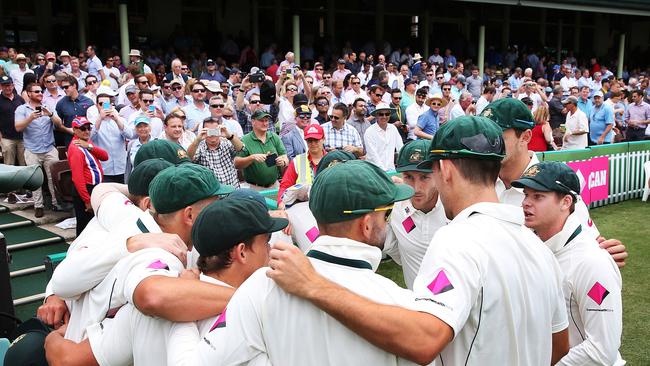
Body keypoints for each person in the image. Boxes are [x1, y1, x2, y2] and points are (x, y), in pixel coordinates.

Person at [266, 116, 569, 365]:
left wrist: (313, 285)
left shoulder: (456, 240)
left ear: (445, 170)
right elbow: (558, 347)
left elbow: (423, 340)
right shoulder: (537, 247)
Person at [170, 160, 418, 365]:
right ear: (365, 225)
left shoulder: (260, 287)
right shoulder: (402, 306)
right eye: (385, 214)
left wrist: (183, 311)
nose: (387, 222)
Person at [480, 98, 628, 267]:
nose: (489, 145)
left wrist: (604, 253)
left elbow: (588, 246)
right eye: (485, 136)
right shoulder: (479, 180)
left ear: (526, 136)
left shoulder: (555, 184)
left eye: (498, 137)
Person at [513, 161, 624, 365]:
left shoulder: (591, 262)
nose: (526, 203)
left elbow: (602, 350)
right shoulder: (531, 245)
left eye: (538, 196)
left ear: (565, 202)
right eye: (526, 195)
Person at [383, 139, 448, 289]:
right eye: (408, 177)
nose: (416, 188)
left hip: (457, 306)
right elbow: (394, 248)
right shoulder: (395, 206)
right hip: (415, 304)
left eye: (424, 177)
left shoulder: (455, 208)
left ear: (438, 173)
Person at [14, 82, 65, 217]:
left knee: (53, 177)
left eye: (41, 91)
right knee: (35, 179)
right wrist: (30, 118)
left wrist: (50, 114)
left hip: (49, 148)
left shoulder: (48, 106)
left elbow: (59, 124)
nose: (40, 93)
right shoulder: (22, 109)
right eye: (36, 91)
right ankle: (38, 206)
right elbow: (18, 127)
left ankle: (56, 203)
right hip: (32, 149)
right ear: (29, 94)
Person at [67, 117, 108, 235]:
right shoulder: (76, 148)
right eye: (82, 129)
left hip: (94, 188)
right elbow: (77, 178)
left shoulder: (85, 142)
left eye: (88, 128)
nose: (87, 131)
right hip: (85, 190)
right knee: (84, 226)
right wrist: (87, 200)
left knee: (94, 224)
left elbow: (105, 156)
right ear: (75, 130)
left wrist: (89, 146)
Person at [87, 87, 133, 184]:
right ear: (96, 106)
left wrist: (116, 119)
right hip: (104, 169)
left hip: (121, 168)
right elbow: (89, 137)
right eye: (101, 104)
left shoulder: (119, 119)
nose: (103, 107)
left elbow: (130, 135)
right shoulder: (93, 122)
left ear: (111, 105)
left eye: (106, 104)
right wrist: (99, 118)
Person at [235, 110, 288, 189]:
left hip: (274, 185)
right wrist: (251, 158)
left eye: (266, 120)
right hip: (254, 187)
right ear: (253, 122)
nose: (265, 123)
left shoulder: (274, 137)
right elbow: (237, 164)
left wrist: (283, 162)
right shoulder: (245, 140)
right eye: (261, 120)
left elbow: (285, 157)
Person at [277, 123, 325, 208]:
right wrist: (281, 202)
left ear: (323, 139)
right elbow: (285, 186)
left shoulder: (332, 160)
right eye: (309, 140)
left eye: (316, 140)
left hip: (327, 205)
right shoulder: (298, 161)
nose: (313, 143)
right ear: (305, 141)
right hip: (303, 207)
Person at [187, 115, 243, 188]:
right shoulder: (199, 147)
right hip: (213, 194)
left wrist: (229, 135)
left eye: (215, 130)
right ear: (204, 131)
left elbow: (241, 149)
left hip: (233, 190)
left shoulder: (227, 142)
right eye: (209, 131)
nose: (212, 134)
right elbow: (188, 158)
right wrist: (197, 140)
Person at [55, 75, 94, 146]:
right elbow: (58, 125)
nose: (64, 89)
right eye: (62, 87)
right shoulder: (61, 104)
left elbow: (93, 121)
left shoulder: (88, 101)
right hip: (70, 142)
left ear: (74, 86)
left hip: (87, 141)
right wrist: (68, 130)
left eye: (66, 87)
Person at [364, 103, 404, 171]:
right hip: (374, 171)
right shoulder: (369, 131)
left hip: (391, 169)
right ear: (376, 115)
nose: (384, 116)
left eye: (387, 114)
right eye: (381, 114)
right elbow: (373, 155)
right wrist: (384, 170)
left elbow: (400, 148)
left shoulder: (393, 128)